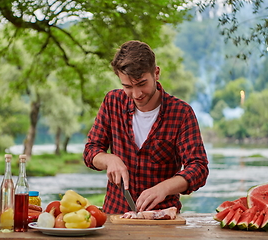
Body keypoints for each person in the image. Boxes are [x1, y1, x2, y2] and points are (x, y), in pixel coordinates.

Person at [83, 40, 209, 214]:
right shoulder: (112, 102)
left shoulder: (181, 113)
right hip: (115, 216)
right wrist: (109, 159)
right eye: (127, 86)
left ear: (156, 73)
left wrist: (164, 188)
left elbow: (199, 168)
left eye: (142, 84)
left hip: (162, 219)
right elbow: (91, 150)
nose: (136, 94)